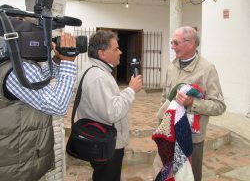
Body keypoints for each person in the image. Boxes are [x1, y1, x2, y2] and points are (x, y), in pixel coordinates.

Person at [0, 29, 77, 181]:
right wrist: (68, 62)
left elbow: (40, 80)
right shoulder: (17, 69)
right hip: (18, 163)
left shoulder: (11, 62)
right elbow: (58, 106)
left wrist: (56, 60)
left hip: (18, 154)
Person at [156, 26, 226, 181]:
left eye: (175, 43)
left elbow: (220, 106)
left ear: (191, 43)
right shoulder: (171, 66)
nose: (172, 47)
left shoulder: (207, 69)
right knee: (166, 176)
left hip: (192, 140)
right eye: (172, 43)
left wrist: (192, 102)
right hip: (169, 136)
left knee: (189, 177)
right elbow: (164, 98)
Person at [76, 30, 143, 181]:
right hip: (106, 143)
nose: (120, 52)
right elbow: (112, 112)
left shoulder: (97, 71)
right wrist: (131, 90)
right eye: (115, 49)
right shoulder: (98, 76)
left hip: (101, 139)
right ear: (102, 53)